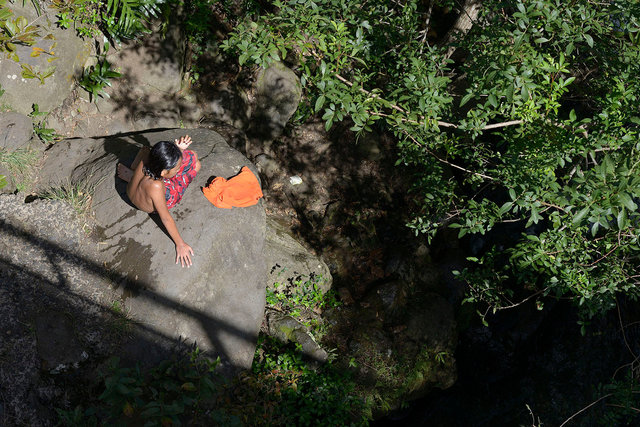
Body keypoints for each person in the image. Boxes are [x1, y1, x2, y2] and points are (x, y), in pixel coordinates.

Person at [117, 135, 201, 268]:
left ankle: (132, 175)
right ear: (163, 172)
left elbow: (152, 155)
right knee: (196, 164)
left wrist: (177, 149)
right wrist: (180, 244)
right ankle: (133, 176)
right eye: (177, 168)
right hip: (152, 200)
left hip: (133, 189)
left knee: (146, 149)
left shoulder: (148, 158)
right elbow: (166, 219)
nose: (178, 168)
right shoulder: (157, 186)